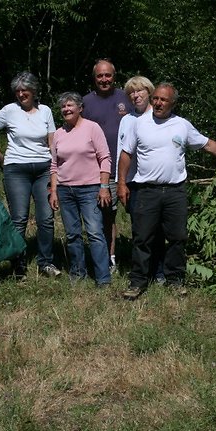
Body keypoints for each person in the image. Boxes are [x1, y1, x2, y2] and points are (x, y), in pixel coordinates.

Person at [117, 83, 216, 300]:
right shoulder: (139, 124)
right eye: (156, 99)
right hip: (146, 191)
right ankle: (137, 282)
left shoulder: (182, 125)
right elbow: (126, 154)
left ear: (173, 103)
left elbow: (207, 145)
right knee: (142, 238)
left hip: (175, 192)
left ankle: (175, 280)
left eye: (164, 100)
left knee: (177, 237)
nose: (158, 103)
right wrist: (121, 184)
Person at [0, 72, 61, 277]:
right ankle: (18, 265)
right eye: (17, 90)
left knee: (46, 218)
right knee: (19, 218)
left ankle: (46, 263)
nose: (21, 93)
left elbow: (52, 142)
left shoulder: (45, 111)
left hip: (43, 168)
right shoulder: (9, 110)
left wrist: (56, 169)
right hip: (16, 169)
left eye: (25, 90)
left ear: (34, 91)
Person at [48, 92, 112, 286]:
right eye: (63, 107)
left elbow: (105, 158)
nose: (66, 109)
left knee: (94, 232)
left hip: (90, 189)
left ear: (80, 108)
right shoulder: (59, 133)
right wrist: (54, 190)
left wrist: (104, 186)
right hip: (66, 190)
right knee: (72, 234)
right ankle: (78, 273)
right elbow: (54, 165)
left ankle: (103, 277)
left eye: (70, 106)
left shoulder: (92, 128)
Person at [82, 58, 132, 273]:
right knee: (106, 217)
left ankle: (142, 260)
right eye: (100, 76)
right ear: (94, 78)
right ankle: (110, 258)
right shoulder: (85, 102)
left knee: (139, 216)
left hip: (132, 170)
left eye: (108, 75)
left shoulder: (127, 98)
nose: (104, 79)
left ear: (114, 76)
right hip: (101, 172)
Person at [116, 75, 165, 283]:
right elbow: (121, 153)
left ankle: (160, 272)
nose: (135, 96)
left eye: (140, 91)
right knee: (140, 231)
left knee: (159, 230)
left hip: (159, 184)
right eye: (131, 93)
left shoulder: (161, 117)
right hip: (135, 183)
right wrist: (122, 183)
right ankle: (142, 273)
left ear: (150, 92)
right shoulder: (126, 121)